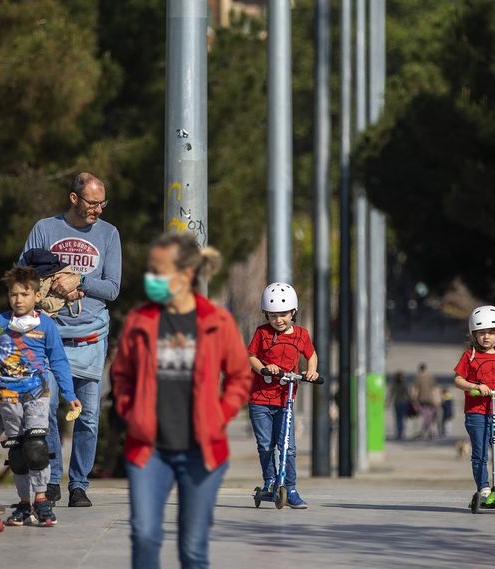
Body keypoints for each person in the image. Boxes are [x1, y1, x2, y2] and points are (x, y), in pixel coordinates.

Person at [111, 233, 251, 569]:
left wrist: (220, 414)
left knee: (193, 549)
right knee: (144, 535)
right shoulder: (140, 320)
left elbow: (240, 376)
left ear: (185, 274)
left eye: (158, 272)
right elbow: (121, 375)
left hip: (201, 451)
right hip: (148, 450)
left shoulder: (217, 321)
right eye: (150, 270)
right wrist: (132, 412)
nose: (151, 279)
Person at [21, 172, 121, 507]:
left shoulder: (109, 234)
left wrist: (79, 280)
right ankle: (51, 481)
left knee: (88, 416)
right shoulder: (45, 229)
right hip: (49, 337)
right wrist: (51, 283)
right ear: (74, 199)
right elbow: (23, 275)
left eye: (102, 203)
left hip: (91, 337)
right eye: (93, 203)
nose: (99, 210)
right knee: (47, 409)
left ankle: (79, 484)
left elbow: (112, 288)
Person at [0, 266, 82, 526]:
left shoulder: (46, 325)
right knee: (17, 451)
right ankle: (24, 503)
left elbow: (59, 361)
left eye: (24, 294)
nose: (18, 300)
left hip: (37, 393)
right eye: (13, 294)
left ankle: (41, 499)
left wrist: (69, 393)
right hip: (7, 396)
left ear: (37, 296)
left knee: (36, 446)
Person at [247, 282, 319, 509]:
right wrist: (265, 368)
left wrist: (312, 370)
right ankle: (270, 481)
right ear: (266, 314)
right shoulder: (262, 333)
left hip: (285, 400)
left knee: (288, 446)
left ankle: (291, 488)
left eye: (284, 315)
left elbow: (311, 354)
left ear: (293, 312)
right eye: (273, 315)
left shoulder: (301, 335)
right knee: (266, 444)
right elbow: (251, 357)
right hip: (260, 399)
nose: (278, 320)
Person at [453, 305, 495, 502]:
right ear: (474, 334)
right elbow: (458, 380)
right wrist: (475, 386)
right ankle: (484, 488)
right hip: (476, 412)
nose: (486, 337)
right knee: (480, 454)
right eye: (481, 333)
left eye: (490, 332)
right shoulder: (469, 355)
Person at [412, 363, 439, 440]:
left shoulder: (418, 378)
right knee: (429, 415)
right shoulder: (430, 377)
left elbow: (416, 390)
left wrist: (414, 399)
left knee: (424, 415)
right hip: (430, 399)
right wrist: (436, 399)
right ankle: (431, 431)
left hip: (421, 399)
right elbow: (435, 389)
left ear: (420, 369)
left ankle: (424, 431)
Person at [388, 372, 411, 440]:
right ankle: (402, 432)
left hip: (397, 402)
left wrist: (388, 402)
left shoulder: (394, 385)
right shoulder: (404, 384)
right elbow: (407, 394)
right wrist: (411, 401)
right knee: (403, 418)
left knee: (398, 419)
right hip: (404, 402)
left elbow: (391, 394)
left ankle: (398, 433)